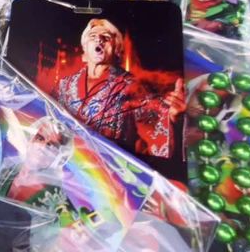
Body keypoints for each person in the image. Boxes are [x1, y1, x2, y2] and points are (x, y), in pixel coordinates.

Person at [53, 19, 185, 158]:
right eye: (93, 36)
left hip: (108, 165)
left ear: (116, 49)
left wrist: (171, 117)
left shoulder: (132, 86)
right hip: (66, 161)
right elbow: (46, 117)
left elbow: (157, 122)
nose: (99, 39)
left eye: (106, 37)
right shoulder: (64, 85)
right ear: (85, 47)